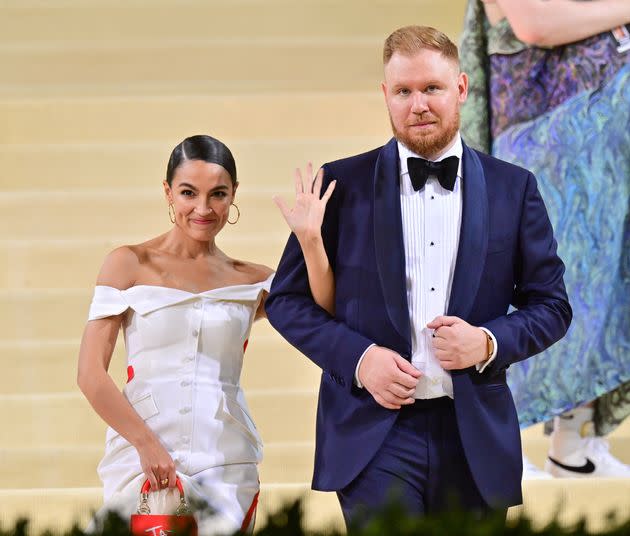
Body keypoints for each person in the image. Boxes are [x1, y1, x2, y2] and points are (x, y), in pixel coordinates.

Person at [266, 25, 572, 525]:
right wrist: (360, 360)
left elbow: (552, 306)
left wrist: (489, 343)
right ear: (386, 95)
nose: (418, 104)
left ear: (462, 88)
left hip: (475, 437)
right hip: (373, 436)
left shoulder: (514, 189)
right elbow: (287, 301)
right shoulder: (341, 184)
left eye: (431, 88)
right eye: (404, 91)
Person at [76, 135, 334, 535]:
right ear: (167, 192)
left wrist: (311, 239)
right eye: (187, 193)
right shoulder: (127, 264)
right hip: (139, 453)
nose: (202, 208)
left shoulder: (254, 280)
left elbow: (322, 312)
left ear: (233, 195)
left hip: (226, 458)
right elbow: (91, 374)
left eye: (217, 194)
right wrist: (146, 444)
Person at [460, 0, 630, 479]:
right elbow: (534, 24)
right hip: (540, 140)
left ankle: (575, 443)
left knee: (599, 290)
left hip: (601, 154)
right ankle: (493, 448)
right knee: (523, 292)